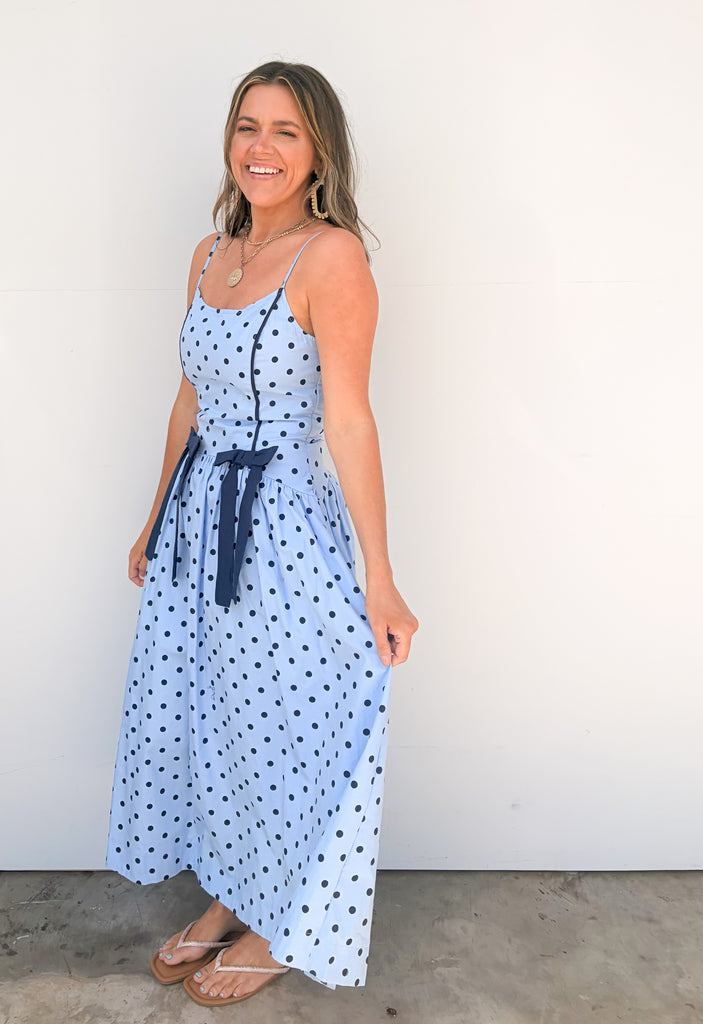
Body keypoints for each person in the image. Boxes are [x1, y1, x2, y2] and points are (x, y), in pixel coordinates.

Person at [105, 60, 418, 1006]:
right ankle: (233, 896)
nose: (263, 147)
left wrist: (381, 576)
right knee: (220, 718)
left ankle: (283, 923)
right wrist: (154, 517)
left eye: (286, 130)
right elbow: (189, 398)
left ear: (319, 150)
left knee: (290, 720)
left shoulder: (333, 258)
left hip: (282, 527)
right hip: (198, 524)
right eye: (249, 126)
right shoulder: (211, 254)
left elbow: (349, 420)